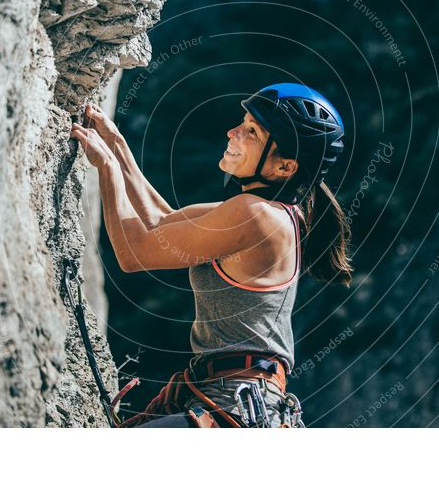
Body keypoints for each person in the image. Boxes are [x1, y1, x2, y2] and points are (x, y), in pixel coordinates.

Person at [70, 83, 352, 427]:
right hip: (241, 399)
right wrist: (116, 145)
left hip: (234, 401)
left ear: (284, 167)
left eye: (251, 131)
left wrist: (107, 169)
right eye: (242, 121)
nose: (232, 132)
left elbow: (134, 253)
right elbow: (161, 220)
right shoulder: (271, 211)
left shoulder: (256, 215)